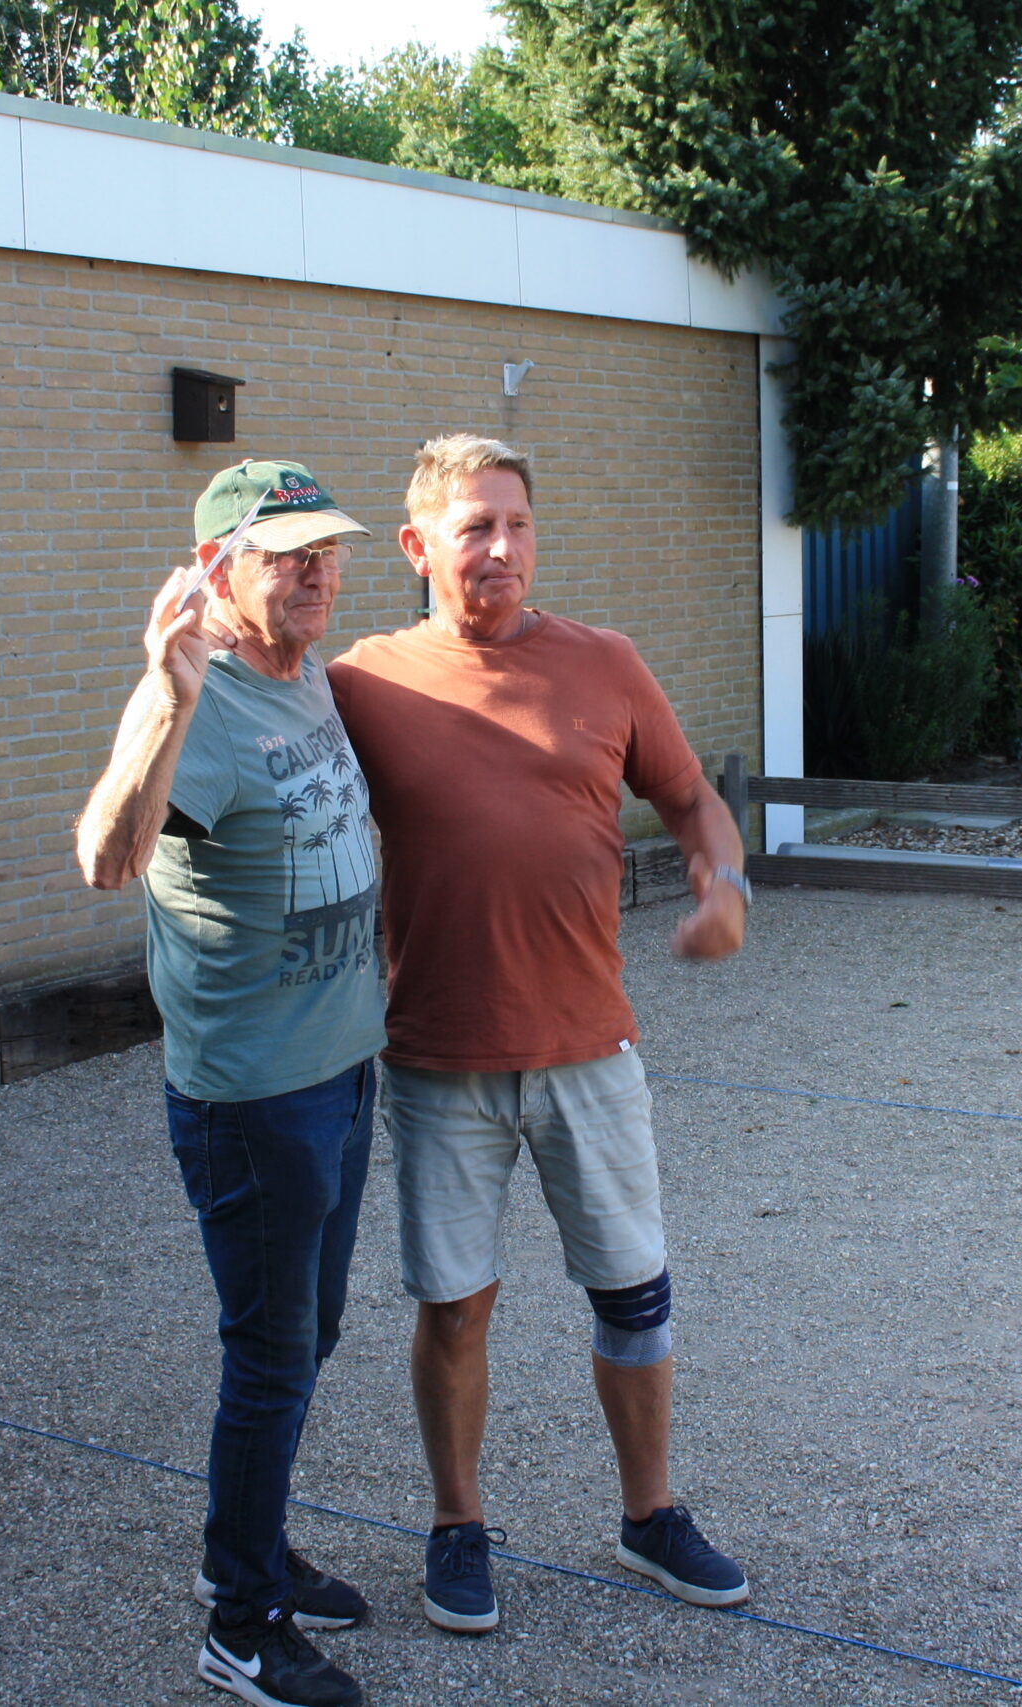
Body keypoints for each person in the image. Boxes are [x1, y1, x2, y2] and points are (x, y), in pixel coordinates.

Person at [328, 434, 754, 1635]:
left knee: (633, 1295)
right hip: (438, 1058)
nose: (500, 548)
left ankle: (648, 1514)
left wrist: (724, 883)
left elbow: (691, 799)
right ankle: (456, 1525)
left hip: (588, 1051)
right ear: (417, 546)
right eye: (474, 526)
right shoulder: (363, 684)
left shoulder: (604, 663)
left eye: (516, 524)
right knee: (453, 1305)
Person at [76, 460, 388, 1707]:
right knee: (269, 1354)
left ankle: (250, 1548)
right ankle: (241, 1626)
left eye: (327, 549)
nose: (316, 571)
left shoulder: (304, 673)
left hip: (341, 1070)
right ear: (217, 570)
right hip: (257, 1099)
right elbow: (106, 859)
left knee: (309, 1334)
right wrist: (163, 694)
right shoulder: (196, 701)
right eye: (285, 553)